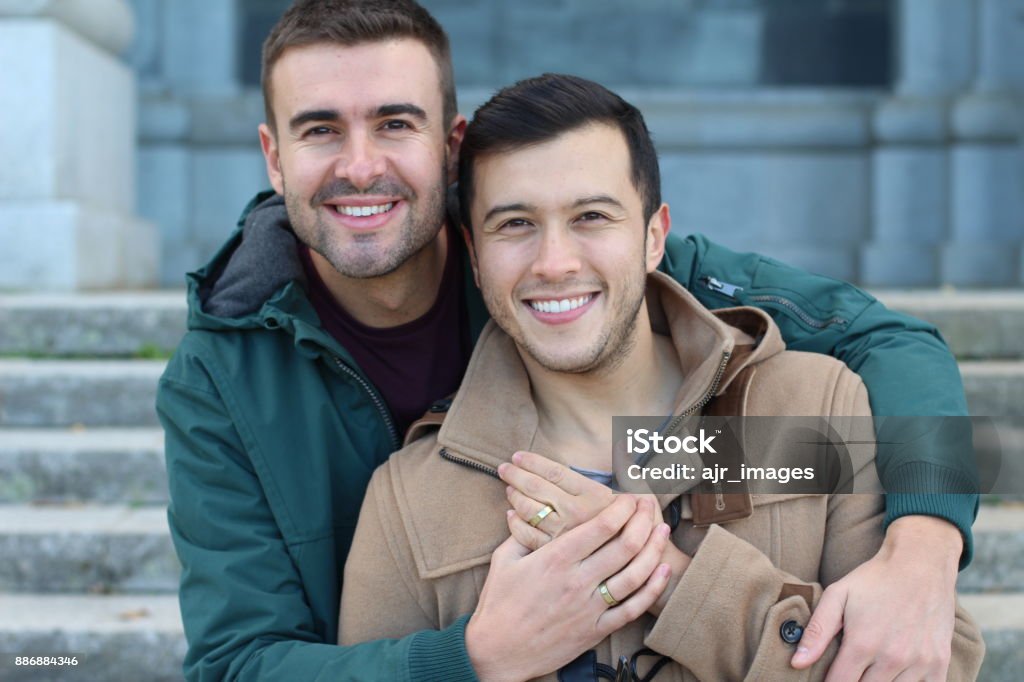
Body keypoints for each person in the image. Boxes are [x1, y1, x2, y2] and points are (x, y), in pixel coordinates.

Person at [155, 1, 977, 680]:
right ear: (273, 154)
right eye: (321, 129)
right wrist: (472, 656)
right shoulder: (233, 388)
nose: (361, 166)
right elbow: (236, 662)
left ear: (450, 145)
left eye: (394, 123)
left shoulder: (679, 336)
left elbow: (886, 340)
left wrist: (925, 545)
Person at [339, 72, 985, 681]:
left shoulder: (811, 413)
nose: (555, 262)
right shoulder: (410, 499)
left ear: (655, 238)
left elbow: (938, 667)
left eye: (592, 216)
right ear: (475, 259)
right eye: (516, 225)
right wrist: (480, 659)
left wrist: (672, 580)